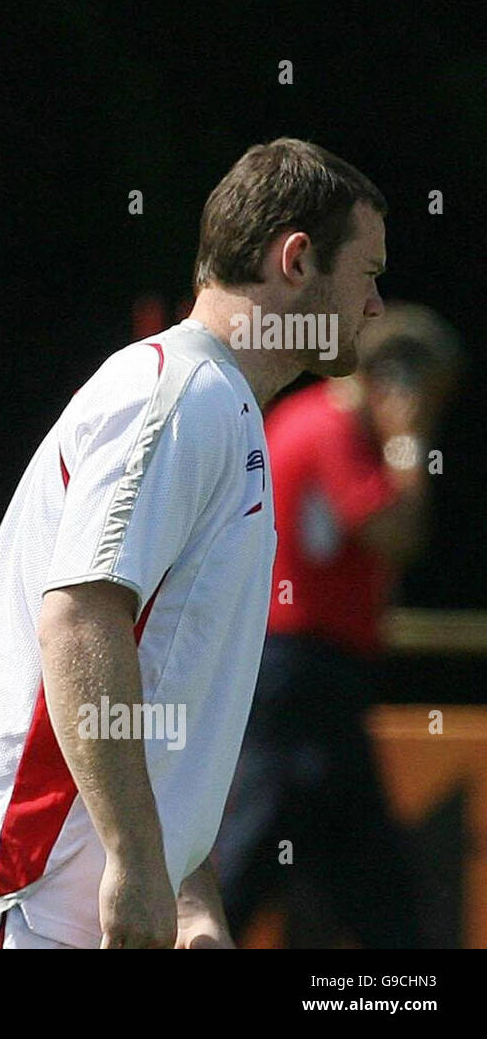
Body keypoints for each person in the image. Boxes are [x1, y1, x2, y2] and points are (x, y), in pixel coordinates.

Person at [0, 137, 388, 948]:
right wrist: (140, 864)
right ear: (296, 259)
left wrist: (184, 888)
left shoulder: (221, 406)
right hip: (16, 895)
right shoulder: (184, 396)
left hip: (46, 903)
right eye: (369, 274)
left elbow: (161, 693)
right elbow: (80, 621)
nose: (377, 306)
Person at [213, 301, 461, 947]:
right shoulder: (332, 429)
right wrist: (409, 442)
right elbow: (399, 533)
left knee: (363, 889)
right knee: (245, 866)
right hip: (297, 680)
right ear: (398, 384)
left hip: (307, 682)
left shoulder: (308, 420)